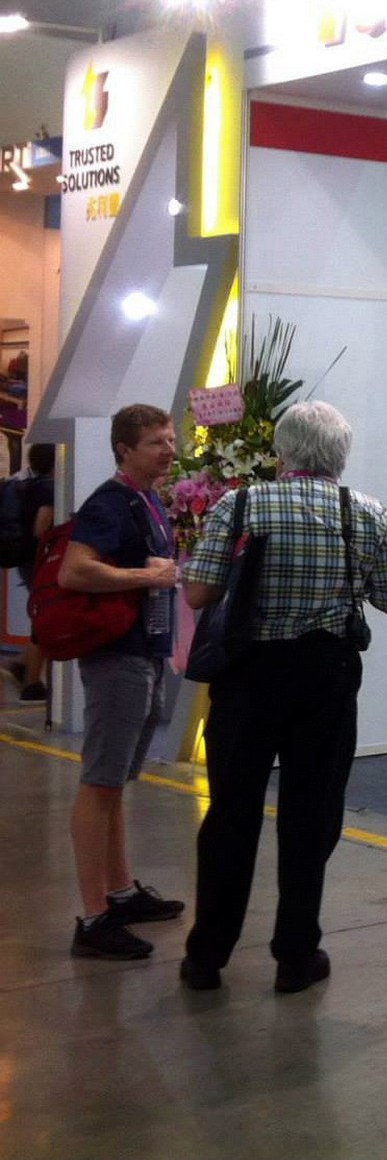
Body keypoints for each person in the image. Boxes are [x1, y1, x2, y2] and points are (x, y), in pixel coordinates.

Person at [178, 402, 387, 993]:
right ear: (341, 455)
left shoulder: (239, 505)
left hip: (247, 677)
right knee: (311, 815)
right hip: (325, 679)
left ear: (281, 451)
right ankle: (295, 954)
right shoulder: (364, 512)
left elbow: (198, 594)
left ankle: (206, 957)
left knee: (231, 814)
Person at [57, 406, 185, 960]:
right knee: (100, 782)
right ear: (124, 450)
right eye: (156, 442)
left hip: (143, 651)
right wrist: (145, 575)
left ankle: (121, 891)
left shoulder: (147, 500)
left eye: (170, 440)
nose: (169, 450)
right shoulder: (109, 503)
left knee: (115, 784)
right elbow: (73, 570)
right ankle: (94, 918)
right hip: (116, 656)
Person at [4, 440, 56, 701]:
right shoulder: (48, 488)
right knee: (46, 619)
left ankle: (24, 665)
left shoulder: (29, 484)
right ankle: (32, 682)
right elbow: (40, 528)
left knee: (43, 618)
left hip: (26, 561)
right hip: (39, 563)